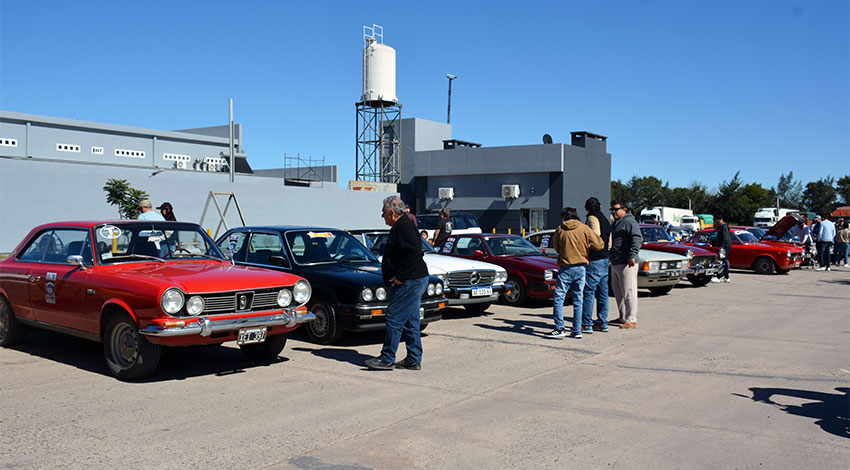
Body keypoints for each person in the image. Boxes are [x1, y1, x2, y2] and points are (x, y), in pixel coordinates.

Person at [364, 196, 430, 371]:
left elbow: (415, 253)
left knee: (394, 316)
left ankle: (387, 358)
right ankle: (413, 359)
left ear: (392, 212)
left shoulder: (405, 228)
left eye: (384, 213)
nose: (382, 216)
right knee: (410, 320)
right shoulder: (401, 226)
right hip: (413, 279)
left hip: (411, 280)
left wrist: (400, 276)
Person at [544, 207, 603, 339]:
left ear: (564, 217)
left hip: (565, 267)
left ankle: (560, 328)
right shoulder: (584, 228)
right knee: (578, 299)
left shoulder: (560, 229)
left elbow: (556, 247)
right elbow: (599, 245)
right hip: (581, 267)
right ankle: (577, 330)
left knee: (559, 298)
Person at [609, 202, 642, 329]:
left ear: (624, 209)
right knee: (618, 292)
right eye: (612, 209)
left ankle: (631, 319)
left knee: (629, 291)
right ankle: (623, 316)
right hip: (616, 261)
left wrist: (632, 255)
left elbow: (637, 238)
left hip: (627, 262)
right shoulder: (616, 223)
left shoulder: (629, 222)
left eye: (616, 209)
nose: (614, 212)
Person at [582, 197, 612, 333]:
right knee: (603, 293)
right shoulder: (605, 219)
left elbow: (595, 234)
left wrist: (588, 247)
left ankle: (587, 323)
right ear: (600, 206)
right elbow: (609, 239)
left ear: (587, 208)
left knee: (589, 292)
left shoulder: (592, 218)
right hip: (605, 258)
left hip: (595, 259)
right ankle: (602, 321)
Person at [711, 215, 732, 283]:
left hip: (724, 246)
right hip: (725, 245)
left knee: (722, 260)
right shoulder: (723, 226)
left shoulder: (724, 227)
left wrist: (722, 246)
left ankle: (721, 276)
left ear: (719, 220)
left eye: (716, 221)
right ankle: (725, 276)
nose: (716, 223)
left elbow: (724, 237)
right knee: (723, 260)